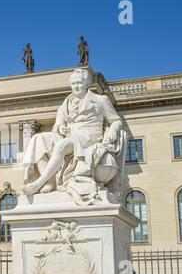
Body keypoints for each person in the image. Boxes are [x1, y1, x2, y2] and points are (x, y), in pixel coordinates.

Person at [21, 68, 124, 205]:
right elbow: (57, 126)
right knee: (38, 140)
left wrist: (113, 129)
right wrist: (60, 128)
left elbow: (116, 120)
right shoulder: (66, 104)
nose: (76, 86)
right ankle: (50, 182)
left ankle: (38, 183)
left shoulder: (100, 100)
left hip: (88, 136)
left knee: (61, 145)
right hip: (69, 135)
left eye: (79, 83)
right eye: (73, 83)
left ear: (86, 84)